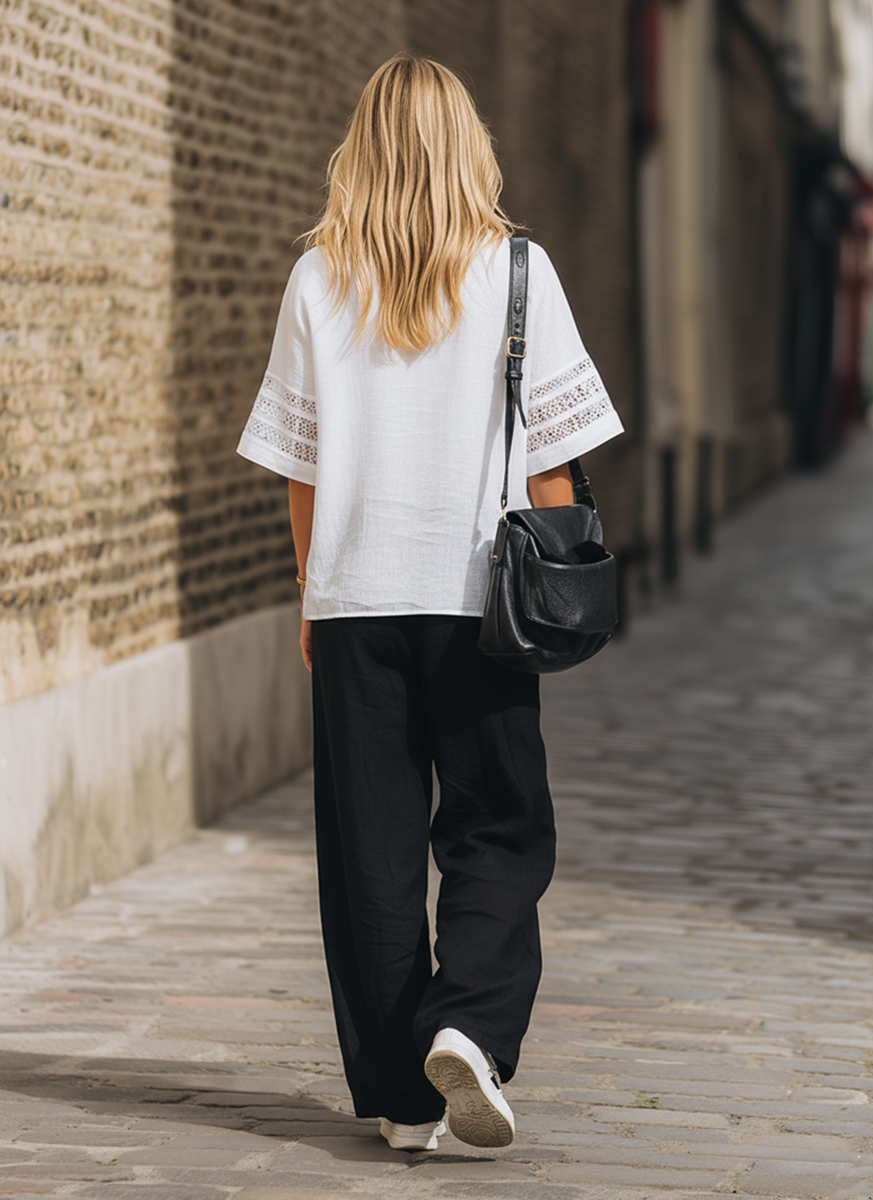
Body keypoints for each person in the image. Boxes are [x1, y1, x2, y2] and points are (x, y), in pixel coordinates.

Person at [237, 52, 624, 1152]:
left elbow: (303, 469)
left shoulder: (317, 279)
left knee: (371, 850)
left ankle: (403, 1106)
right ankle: (468, 1026)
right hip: (480, 604)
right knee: (499, 827)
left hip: (356, 603)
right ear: (469, 146)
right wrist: (561, 591)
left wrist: (311, 598)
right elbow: (551, 467)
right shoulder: (518, 272)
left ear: (361, 147)